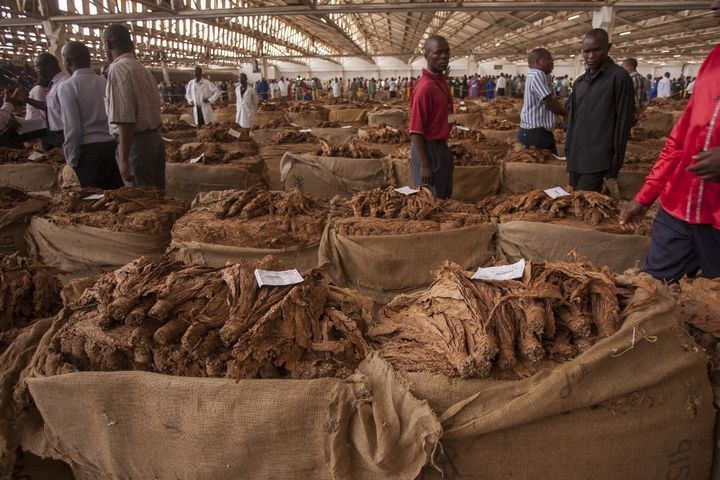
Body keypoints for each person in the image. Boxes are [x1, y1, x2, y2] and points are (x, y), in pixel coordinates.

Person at [619, 0, 720, 283]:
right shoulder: (713, 60)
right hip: (678, 209)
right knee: (650, 291)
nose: (713, 5)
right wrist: (644, 197)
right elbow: (679, 142)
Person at [565, 28, 635, 192]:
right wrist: (569, 152)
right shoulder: (580, 83)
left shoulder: (619, 78)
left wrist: (614, 165)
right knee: (574, 202)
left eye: (596, 50)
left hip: (598, 159)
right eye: (586, 51)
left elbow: (623, 123)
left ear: (608, 48)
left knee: (585, 204)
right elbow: (572, 120)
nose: (590, 56)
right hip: (575, 158)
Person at [103, 23, 164, 187]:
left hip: (137, 144)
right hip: (154, 140)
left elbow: (125, 118)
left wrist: (123, 159)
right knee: (157, 198)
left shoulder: (118, 69)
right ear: (131, 45)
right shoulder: (142, 69)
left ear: (107, 44)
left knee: (142, 202)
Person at [57, 41, 122, 189]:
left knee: (94, 201)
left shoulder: (67, 87)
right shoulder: (105, 83)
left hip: (89, 152)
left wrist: (72, 158)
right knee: (115, 198)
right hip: (111, 148)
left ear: (67, 61)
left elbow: (73, 128)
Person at [409, 35, 454, 199]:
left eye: (447, 52)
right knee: (430, 200)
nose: (444, 56)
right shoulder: (425, 88)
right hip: (427, 149)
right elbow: (415, 131)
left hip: (440, 146)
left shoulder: (440, 82)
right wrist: (425, 164)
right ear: (427, 56)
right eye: (438, 52)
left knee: (443, 195)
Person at [519, 48, 567, 155]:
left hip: (537, 132)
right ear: (538, 61)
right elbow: (548, 101)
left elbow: (549, 99)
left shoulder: (536, 75)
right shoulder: (537, 74)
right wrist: (565, 114)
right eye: (549, 59)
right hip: (536, 133)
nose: (552, 62)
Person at [22, 53, 69, 150]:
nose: (36, 71)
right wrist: (26, 99)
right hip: (55, 133)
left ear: (47, 67)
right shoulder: (54, 84)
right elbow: (47, 106)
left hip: (64, 133)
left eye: (37, 67)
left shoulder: (64, 84)